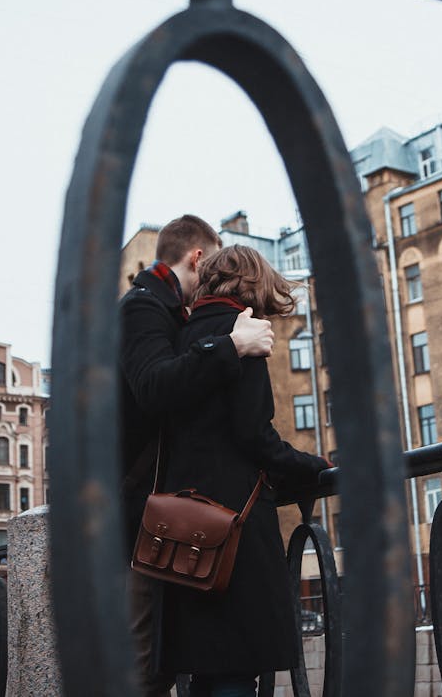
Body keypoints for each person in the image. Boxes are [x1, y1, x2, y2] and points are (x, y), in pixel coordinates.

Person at [158, 245, 331, 697]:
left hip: (181, 522)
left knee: (206, 667)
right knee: (237, 663)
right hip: (233, 524)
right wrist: (314, 466)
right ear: (254, 282)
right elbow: (254, 434)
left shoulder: (182, 336)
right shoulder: (243, 333)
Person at [119, 215, 275, 697]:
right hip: (142, 515)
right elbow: (154, 386)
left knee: (171, 662)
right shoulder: (142, 306)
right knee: (145, 666)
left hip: (169, 511)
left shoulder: (171, 312)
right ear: (198, 257)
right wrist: (232, 344)